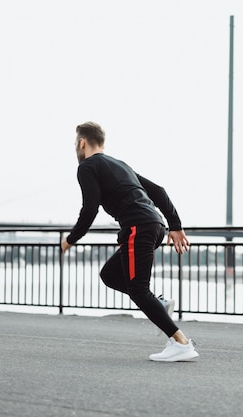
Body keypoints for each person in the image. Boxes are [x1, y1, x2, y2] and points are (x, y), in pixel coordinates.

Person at [60, 121, 199, 362]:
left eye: (75, 143)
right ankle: (159, 304)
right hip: (152, 226)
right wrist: (174, 225)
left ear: (82, 143)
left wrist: (70, 239)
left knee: (137, 289)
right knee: (110, 275)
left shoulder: (87, 167)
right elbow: (159, 190)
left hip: (139, 227)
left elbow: (89, 209)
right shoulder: (120, 164)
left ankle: (182, 343)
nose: (76, 147)